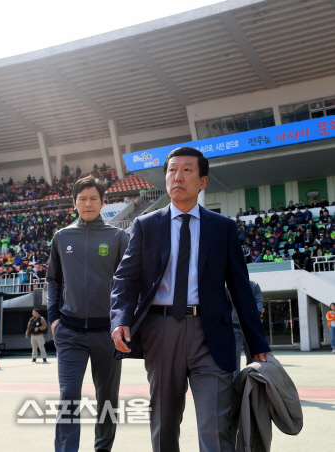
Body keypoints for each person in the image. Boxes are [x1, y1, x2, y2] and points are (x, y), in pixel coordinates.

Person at [110, 146, 270, 452]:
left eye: (186, 170)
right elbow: (125, 279)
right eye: (172, 170)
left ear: (202, 181)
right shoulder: (146, 225)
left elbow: (239, 286)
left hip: (211, 335)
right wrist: (120, 319)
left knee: (216, 426)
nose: (177, 176)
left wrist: (257, 342)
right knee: (164, 424)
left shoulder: (221, 227)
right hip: (161, 331)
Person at [47, 175, 129, 452]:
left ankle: (102, 449)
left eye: (94, 198)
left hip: (107, 333)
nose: (88, 203)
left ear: (103, 202)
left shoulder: (118, 237)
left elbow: (128, 282)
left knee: (107, 398)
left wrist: (123, 322)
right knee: (68, 395)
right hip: (69, 331)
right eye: (82, 198)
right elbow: (53, 280)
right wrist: (54, 319)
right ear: (74, 203)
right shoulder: (62, 237)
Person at [230, 281, 264, 379]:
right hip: (235, 326)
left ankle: (251, 380)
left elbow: (259, 303)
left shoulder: (254, 286)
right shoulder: (229, 285)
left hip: (251, 327)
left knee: (253, 357)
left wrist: (253, 317)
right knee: (235, 357)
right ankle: (235, 383)